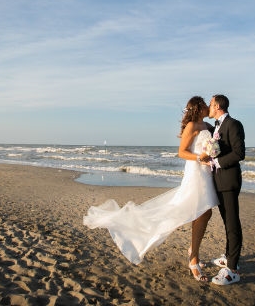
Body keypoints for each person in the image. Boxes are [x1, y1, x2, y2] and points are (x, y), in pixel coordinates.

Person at [83, 96, 219, 282]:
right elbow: (181, 152)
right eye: (204, 104)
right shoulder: (192, 126)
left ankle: (192, 251)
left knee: (204, 212)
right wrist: (199, 158)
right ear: (198, 108)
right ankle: (193, 258)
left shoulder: (208, 127)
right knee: (197, 212)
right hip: (196, 173)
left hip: (207, 173)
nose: (207, 107)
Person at [207, 94, 245, 286]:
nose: (208, 106)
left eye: (211, 104)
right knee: (226, 220)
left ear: (218, 106)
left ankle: (232, 270)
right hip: (219, 181)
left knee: (232, 222)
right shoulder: (216, 126)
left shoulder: (233, 124)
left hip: (229, 181)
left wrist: (218, 162)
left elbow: (239, 153)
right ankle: (230, 256)